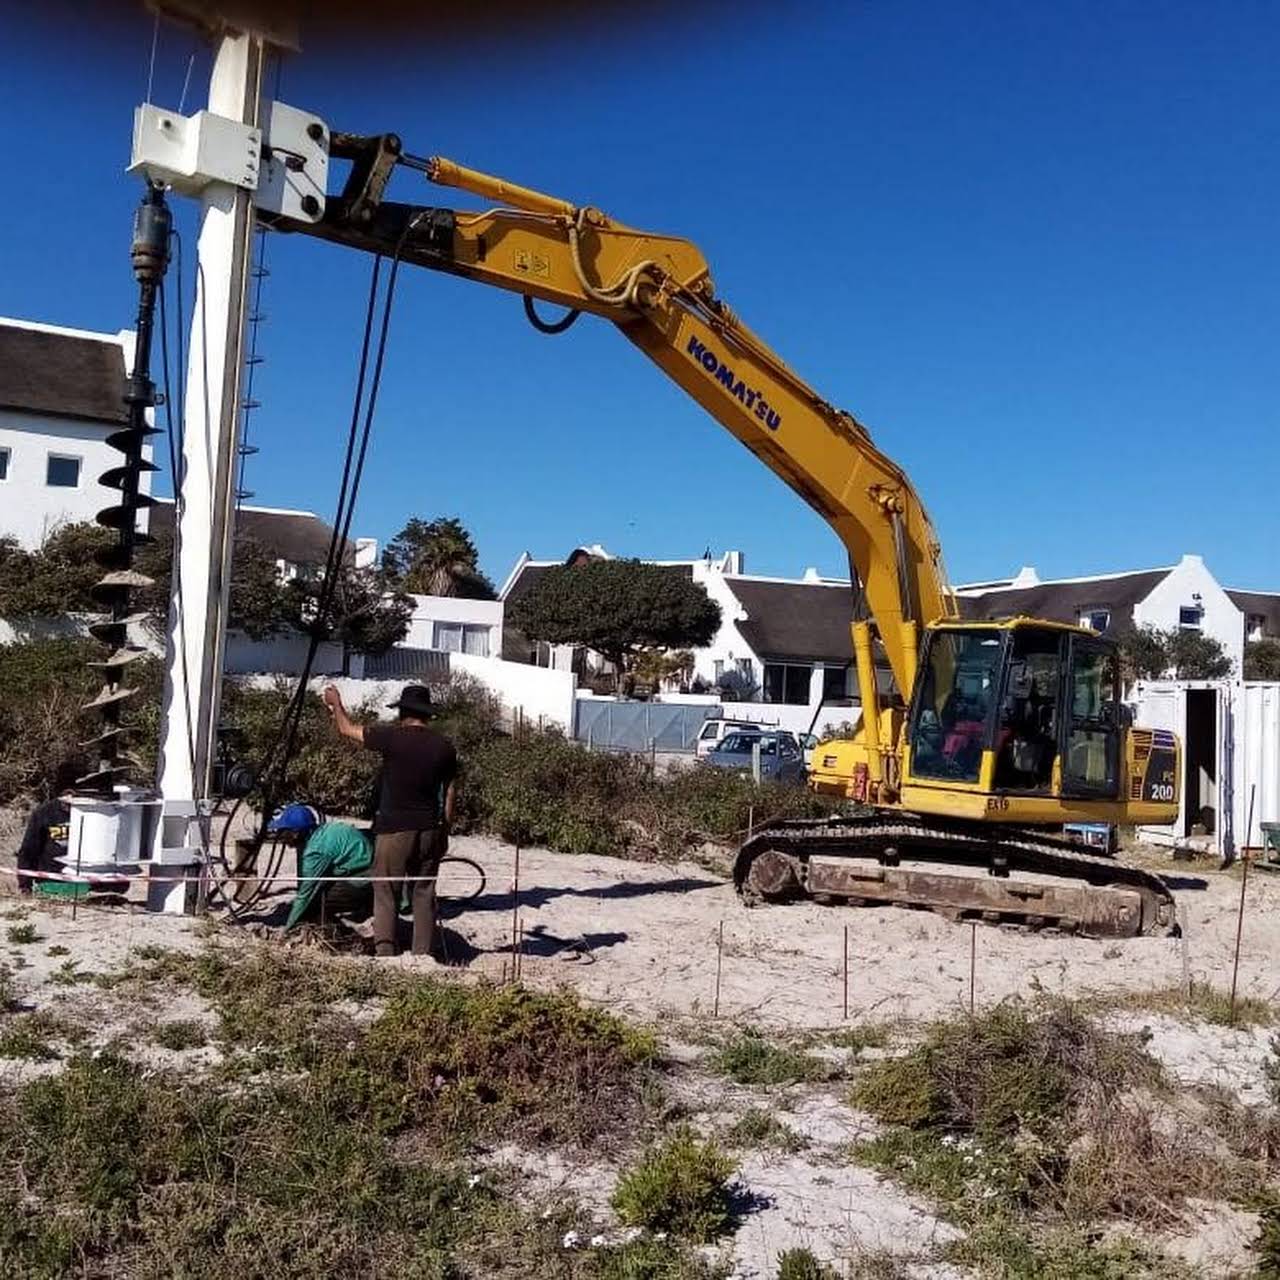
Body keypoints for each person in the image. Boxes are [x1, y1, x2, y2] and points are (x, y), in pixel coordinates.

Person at [323, 683, 457, 957]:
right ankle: (423, 956)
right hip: (430, 827)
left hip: (395, 829)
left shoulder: (391, 738)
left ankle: (385, 951)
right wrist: (445, 829)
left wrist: (336, 703)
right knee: (424, 892)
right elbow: (451, 791)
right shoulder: (444, 746)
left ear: (402, 712)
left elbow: (346, 729)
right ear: (427, 714)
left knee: (385, 890)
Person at [263, 803, 374, 930]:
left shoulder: (315, 851)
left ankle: (339, 938)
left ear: (295, 833)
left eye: (283, 832)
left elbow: (305, 894)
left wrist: (287, 928)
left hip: (363, 880)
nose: (281, 837)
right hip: (370, 870)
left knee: (315, 906)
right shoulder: (323, 832)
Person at [16, 758, 81, 894]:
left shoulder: (91, 815)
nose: (69, 800)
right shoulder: (43, 813)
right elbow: (29, 850)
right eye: (65, 795)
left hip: (83, 883)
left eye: (74, 794)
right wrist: (25, 884)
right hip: (50, 883)